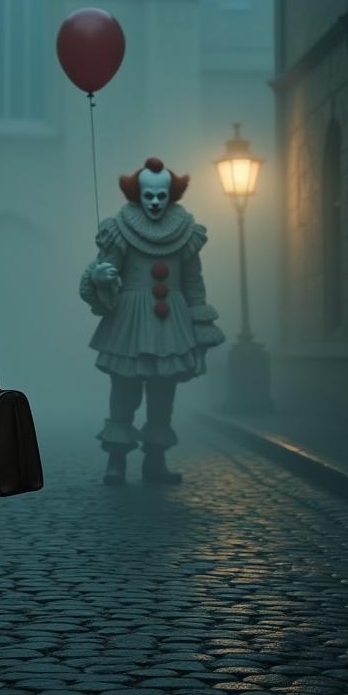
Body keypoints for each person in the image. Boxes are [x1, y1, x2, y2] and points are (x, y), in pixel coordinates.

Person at [79, 157, 225, 486]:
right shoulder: (120, 229)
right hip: (130, 321)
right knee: (124, 392)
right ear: (138, 196)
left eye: (161, 196)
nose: (156, 202)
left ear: (171, 195)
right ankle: (116, 461)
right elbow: (107, 269)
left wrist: (199, 318)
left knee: (163, 393)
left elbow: (192, 282)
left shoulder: (186, 232)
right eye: (149, 196)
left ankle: (154, 461)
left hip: (170, 322)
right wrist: (100, 275)